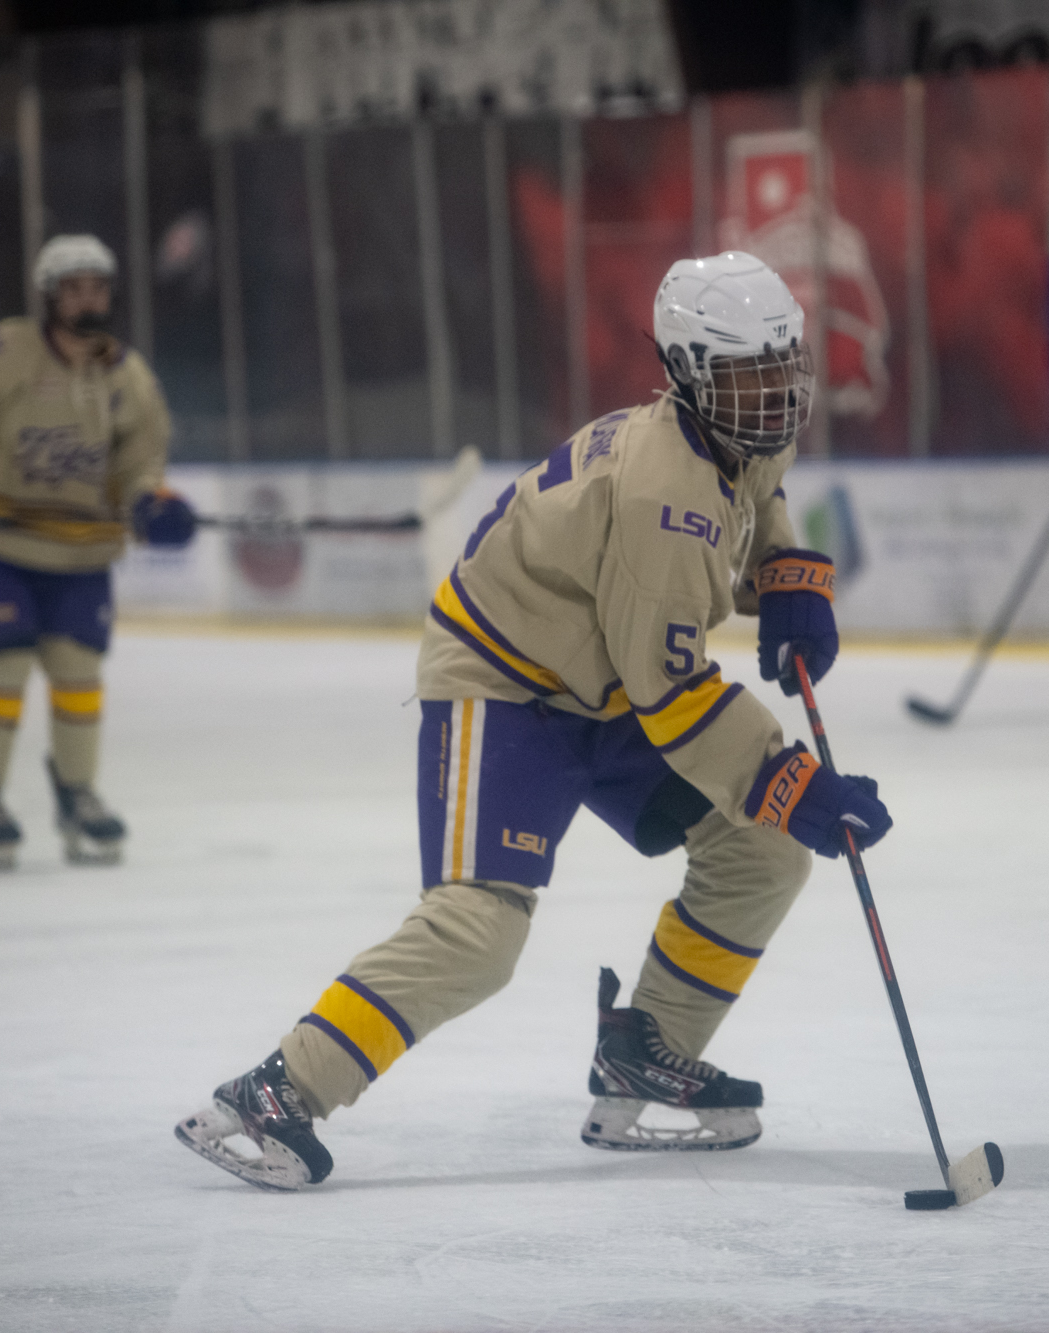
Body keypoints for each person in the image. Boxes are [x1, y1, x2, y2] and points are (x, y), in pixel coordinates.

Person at [174, 252, 894, 1191]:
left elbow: (760, 492)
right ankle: (275, 1092)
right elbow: (675, 696)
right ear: (687, 371)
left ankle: (650, 1047)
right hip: (506, 684)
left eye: (781, 365)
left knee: (761, 851)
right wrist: (794, 782)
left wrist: (792, 573)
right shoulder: (662, 500)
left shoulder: (734, 429)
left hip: (602, 679)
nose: (775, 396)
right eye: (748, 374)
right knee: (481, 929)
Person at [0, 234, 197, 870]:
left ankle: (78, 795)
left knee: (79, 676)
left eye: (98, 288)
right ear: (50, 296)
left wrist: (149, 507)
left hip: (83, 557)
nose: (88, 300)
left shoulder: (127, 378)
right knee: (4, 670)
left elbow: (139, 465)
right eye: (75, 289)